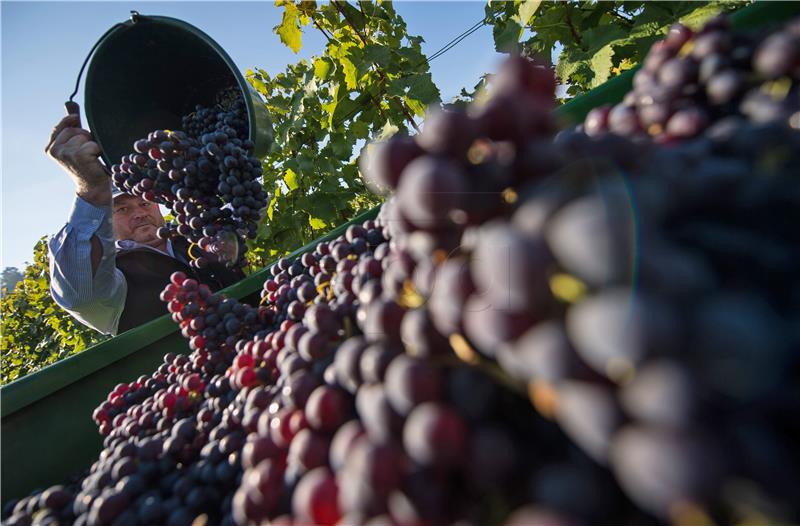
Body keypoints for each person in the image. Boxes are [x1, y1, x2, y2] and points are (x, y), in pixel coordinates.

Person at [45, 113, 244, 335]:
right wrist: (92, 191)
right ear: (106, 218)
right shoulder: (113, 277)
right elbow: (80, 297)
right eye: (123, 209)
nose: (139, 213)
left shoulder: (199, 235)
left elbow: (247, 206)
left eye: (144, 202)